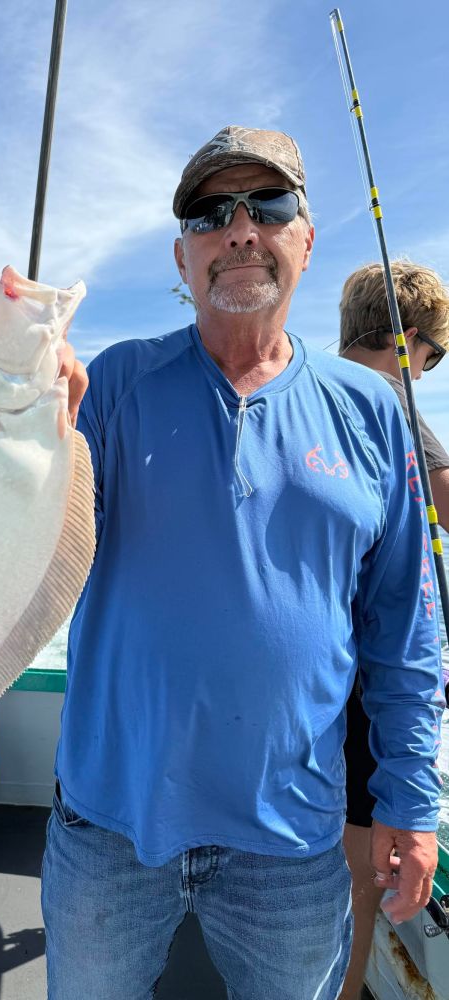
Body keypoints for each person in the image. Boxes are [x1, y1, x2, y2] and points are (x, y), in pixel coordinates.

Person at [49, 125, 444, 1000]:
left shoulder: (374, 413)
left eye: (268, 205)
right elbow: (32, 558)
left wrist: (412, 802)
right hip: (111, 827)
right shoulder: (111, 388)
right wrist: (27, 435)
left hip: (293, 842)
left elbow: (404, 631)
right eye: (209, 211)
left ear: (305, 237)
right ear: (183, 255)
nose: (239, 228)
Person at [337, 260, 449, 1000]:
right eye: (435, 355)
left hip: (319, 662)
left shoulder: (307, 387)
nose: (431, 370)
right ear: (408, 342)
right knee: (359, 864)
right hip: (375, 667)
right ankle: (342, 988)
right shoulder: (395, 406)